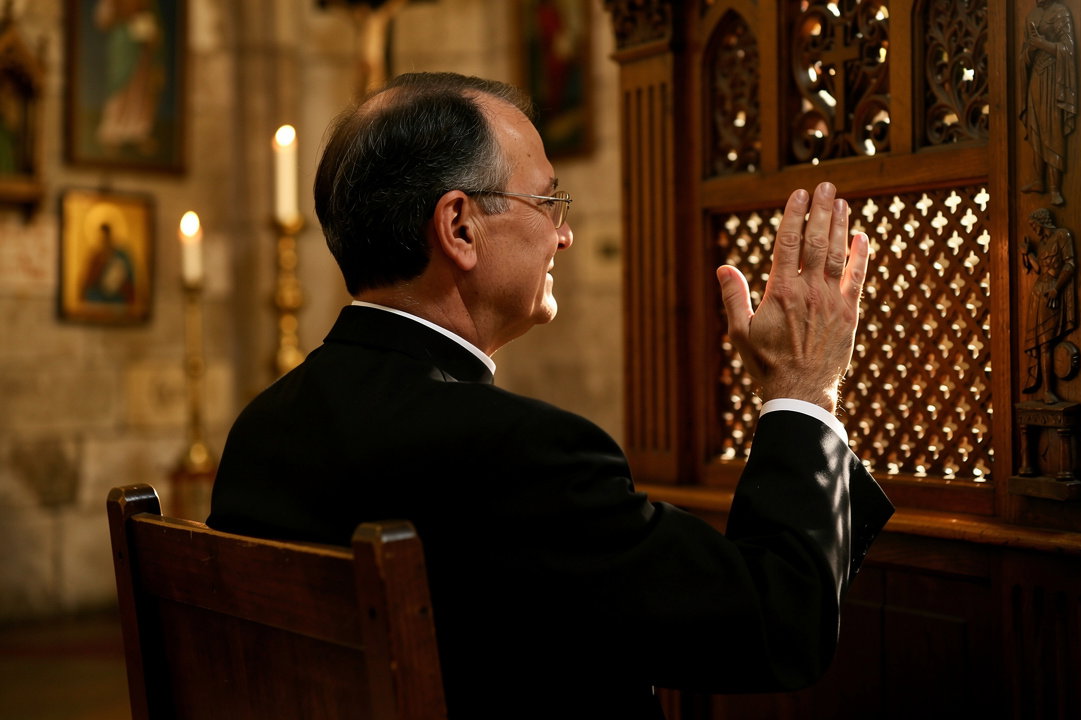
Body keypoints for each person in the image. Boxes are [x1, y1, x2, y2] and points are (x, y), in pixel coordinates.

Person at [207, 72, 892, 719]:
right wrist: (803, 387)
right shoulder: (518, 454)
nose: (564, 233)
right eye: (549, 202)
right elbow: (778, 624)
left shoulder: (261, 431)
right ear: (460, 228)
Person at [1019, 0, 1077, 206]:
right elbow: (1023, 56)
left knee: (1053, 129)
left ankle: (1055, 188)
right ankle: (1038, 179)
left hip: (1054, 77)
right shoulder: (1031, 16)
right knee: (1036, 127)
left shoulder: (1060, 12)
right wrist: (1031, 50)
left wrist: (1043, 44)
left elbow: (1068, 48)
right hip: (1036, 76)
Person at [1020, 208, 1077, 404]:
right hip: (1038, 292)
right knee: (1041, 343)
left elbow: (1070, 264)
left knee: (1046, 343)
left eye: (1034, 224)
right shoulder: (1043, 245)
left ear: (1042, 221)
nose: (1034, 229)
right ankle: (1046, 390)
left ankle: (1048, 390)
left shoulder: (1062, 235)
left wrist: (1057, 289)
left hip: (1052, 292)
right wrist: (1027, 255)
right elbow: (1039, 270)